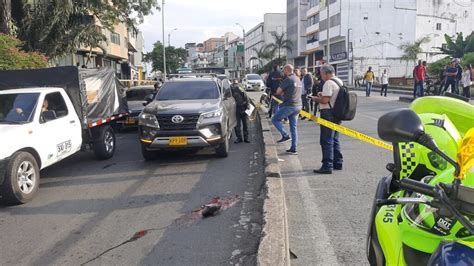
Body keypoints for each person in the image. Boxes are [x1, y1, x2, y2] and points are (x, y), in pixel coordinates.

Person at [310, 64, 343, 174]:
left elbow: (324, 100)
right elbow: (332, 97)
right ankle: (338, 162)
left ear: (326, 73)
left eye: (322, 74)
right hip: (338, 113)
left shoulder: (328, 83)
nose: (321, 76)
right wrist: (322, 95)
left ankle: (327, 165)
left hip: (328, 113)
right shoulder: (339, 81)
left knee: (326, 140)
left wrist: (315, 98)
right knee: (335, 139)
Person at [271, 64, 302, 154]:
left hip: (289, 105)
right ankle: (293, 148)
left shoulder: (288, 79)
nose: (283, 73)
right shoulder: (298, 79)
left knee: (275, 119)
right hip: (298, 105)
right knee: (293, 127)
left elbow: (278, 92)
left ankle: (285, 135)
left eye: (284, 71)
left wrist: (283, 92)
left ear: (286, 70)